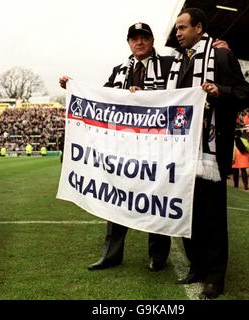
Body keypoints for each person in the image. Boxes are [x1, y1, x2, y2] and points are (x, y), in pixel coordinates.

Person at [60, 22, 173, 272]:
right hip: (123, 147)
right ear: (129, 43)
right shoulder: (119, 70)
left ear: (152, 40)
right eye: (134, 39)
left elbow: (177, 95)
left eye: (144, 37)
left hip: (158, 146)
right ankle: (111, 254)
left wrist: (143, 96)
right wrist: (73, 88)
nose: (139, 42)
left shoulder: (169, 65)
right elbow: (102, 98)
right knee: (116, 198)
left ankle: (158, 255)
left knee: (157, 196)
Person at [168, 8, 249, 299]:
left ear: (199, 28)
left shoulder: (221, 56)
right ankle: (197, 267)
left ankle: (216, 277)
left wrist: (220, 91)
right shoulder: (178, 62)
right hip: (181, 152)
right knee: (188, 213)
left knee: (213, 216)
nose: (177, 33)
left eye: (182, 28)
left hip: (210, 153)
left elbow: (245, 93)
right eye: (176, 29)